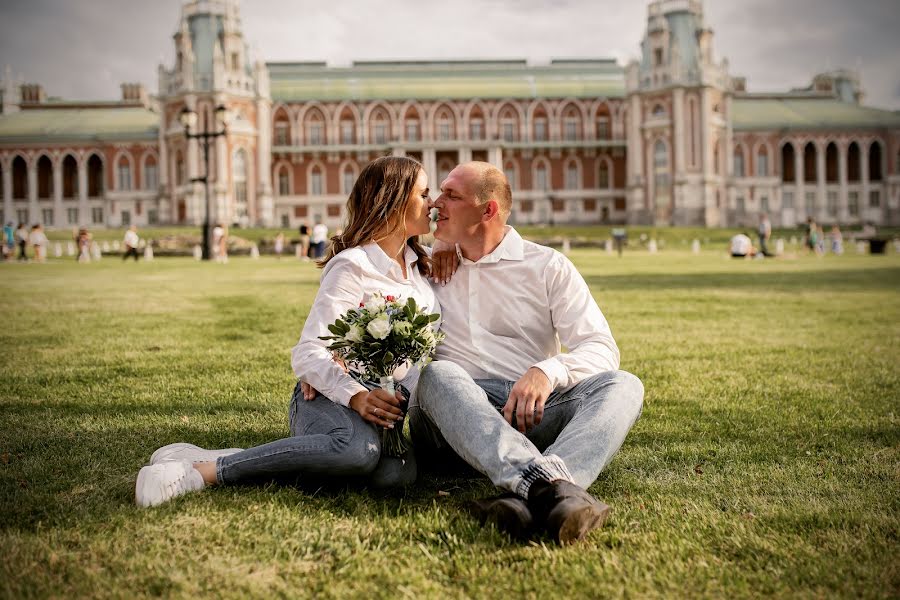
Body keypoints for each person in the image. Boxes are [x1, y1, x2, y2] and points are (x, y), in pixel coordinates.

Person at [135, 156, 438, 507]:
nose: (431, 203)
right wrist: (355, 395)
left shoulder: (426, 266)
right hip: (329, 396)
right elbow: (309, 351)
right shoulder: (352, 267)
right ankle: (202, 470)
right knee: (354, 454)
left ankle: (273, 454)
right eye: (424, 194)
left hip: (390, 407)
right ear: (394, 201)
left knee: (394, 477)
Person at [410, 162, 644, 544]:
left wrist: (547, 371)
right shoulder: (425, 267)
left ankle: (533, 495)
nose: (436, 202)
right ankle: (553, 487)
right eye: (440, 192)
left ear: (488, 210)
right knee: (438, 375)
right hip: (452, 421)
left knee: (625, 385)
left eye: (451, 195)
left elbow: (601, 347)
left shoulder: (547, 266)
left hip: (530, 414)